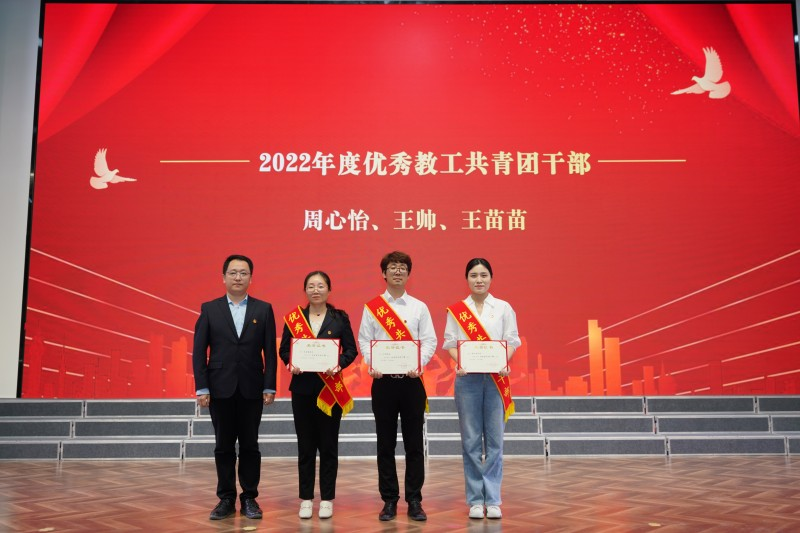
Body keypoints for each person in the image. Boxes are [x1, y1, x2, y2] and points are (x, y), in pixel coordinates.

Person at [192, 254, 277, 521]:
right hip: (220, 388)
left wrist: (269, 386)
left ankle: (249, 497)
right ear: (224, 277)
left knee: (250, 445)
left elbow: (270, 353)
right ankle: (226, 498)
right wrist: (202, 387)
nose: (238, 277)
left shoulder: (263, 309)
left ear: (251, 278)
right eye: (233, 273)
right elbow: (199, 352)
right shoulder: (210, 309)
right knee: (223, 446)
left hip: (252, 387)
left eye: (243, 273)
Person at [357, 250, 437, 522]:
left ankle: (414, 500)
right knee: (385, 444)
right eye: (393, 267)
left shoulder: (419, 307)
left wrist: (419, 363)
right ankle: (389, 500)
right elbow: (365, 340)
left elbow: (429, 340)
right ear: (384, 273)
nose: (398, 271)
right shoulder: (373, 308)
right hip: (383, 384)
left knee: (414, 445)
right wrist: (372, 363)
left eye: (403, 267)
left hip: (412, 383)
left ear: (408, 273)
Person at [442, 258, 520, 520]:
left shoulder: (504, 308)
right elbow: (451, 343)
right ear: (467, 279)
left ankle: (494, 499)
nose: (479, 280)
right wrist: (461, 361)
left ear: (491, 278)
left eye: (483, 275)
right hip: (468, 381)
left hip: (496, 379)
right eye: (474, 275)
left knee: (495, 441)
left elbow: (512, 340)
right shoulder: (457, 310)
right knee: (471, 441)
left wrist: (504, 361)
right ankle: (476, 499)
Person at [278, 271, 358, 520]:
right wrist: (291, 363)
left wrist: (338, 364)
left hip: (329, 390)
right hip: (302, 390)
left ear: (329, 290)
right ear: (305, 290)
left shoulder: (339, 318)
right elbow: (284, 350)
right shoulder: (295, 318)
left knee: (328, 446)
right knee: (305, 447)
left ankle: (326, 499)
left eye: (320, 286)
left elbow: (351, 350)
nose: (316, 290)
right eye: (311, 286)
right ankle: (305, 499)